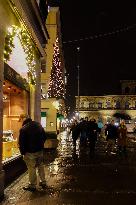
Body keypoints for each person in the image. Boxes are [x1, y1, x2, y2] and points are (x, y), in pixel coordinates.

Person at [18, 118, 47, 191]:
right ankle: (43, 182)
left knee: (31, 168)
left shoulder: (23, 129)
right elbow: (45, 137)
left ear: (23, 121)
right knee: (40, 165)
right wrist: (41, 146)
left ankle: (32, 185)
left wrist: (23, 153)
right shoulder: (39, 125)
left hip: (30, 152)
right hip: (40, 150)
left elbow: (22, 143)